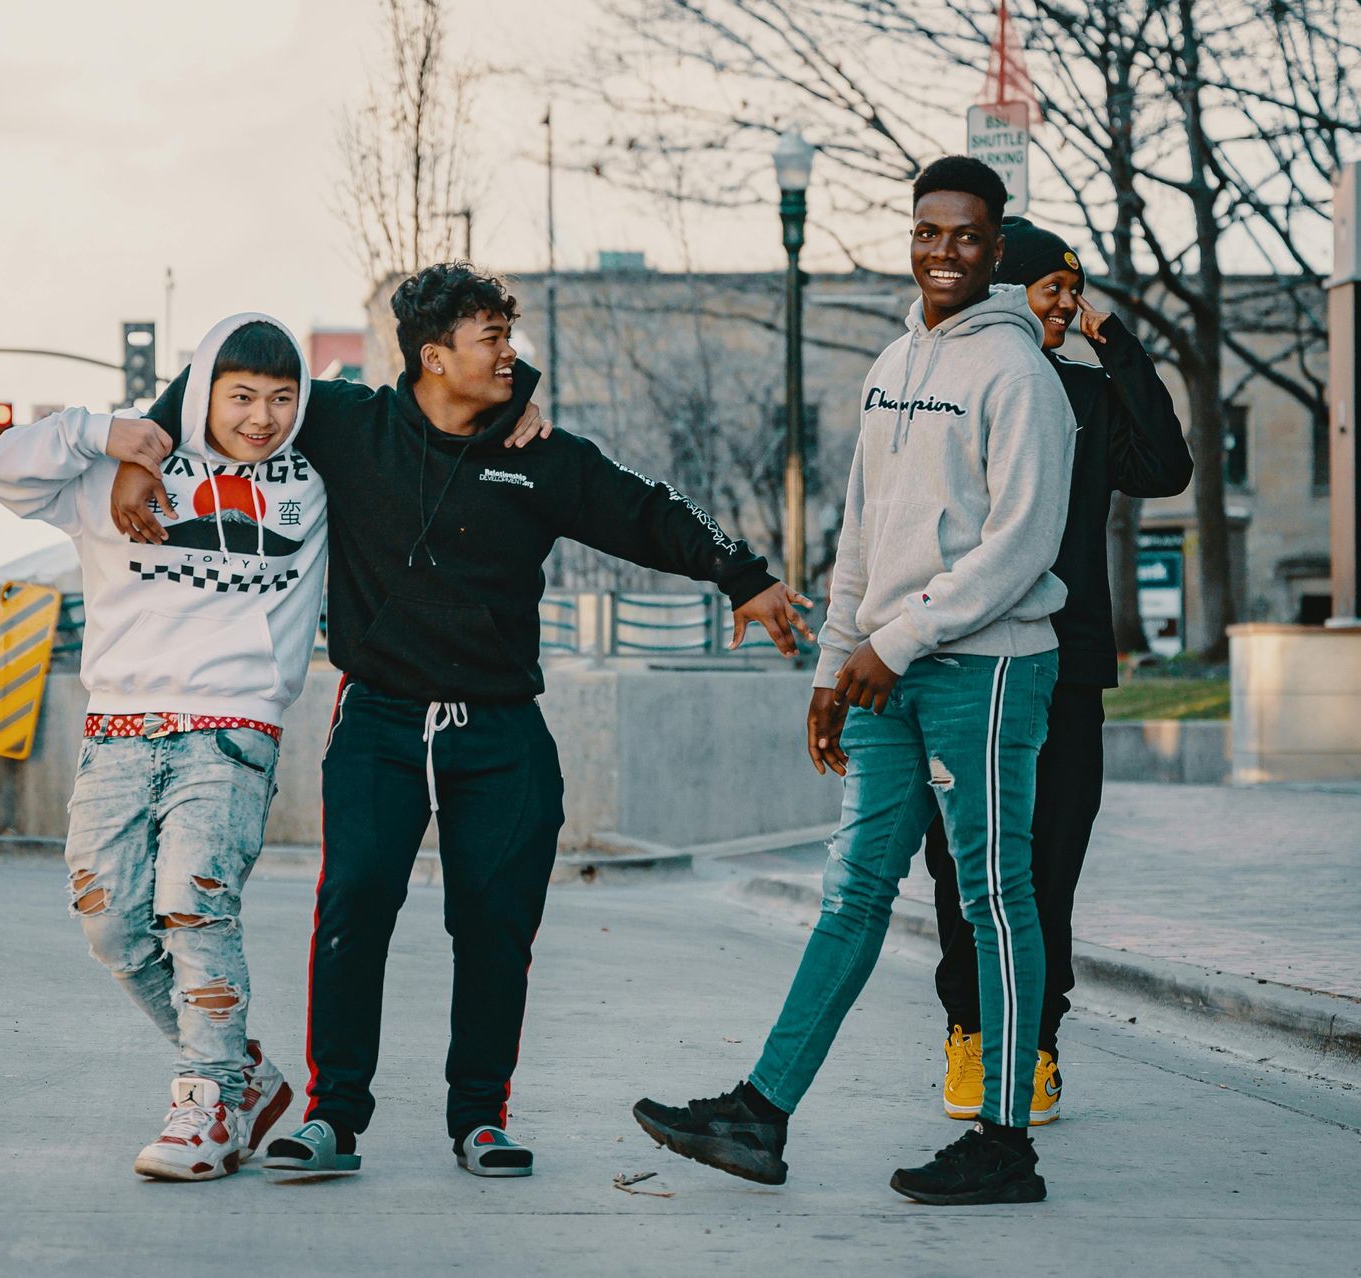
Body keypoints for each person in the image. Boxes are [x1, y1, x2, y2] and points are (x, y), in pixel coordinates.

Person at [114, 262, 812, 1179]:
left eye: (509, 340)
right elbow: (207, 381)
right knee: (353, 908)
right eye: (492, 340)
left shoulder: (542, 454)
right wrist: (140, 454)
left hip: (500, 730)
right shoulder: (347, 423)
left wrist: (746, 574)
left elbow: (645, 509)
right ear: (434, 356)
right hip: (380, 719)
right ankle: (333, 1118)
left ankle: (479, 1117)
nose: (511, 356)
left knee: (494, 926)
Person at [631, 157, 1076, 1206]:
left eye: (965, 235)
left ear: (995, 245)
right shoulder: (890, 364)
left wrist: (899, 642)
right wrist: (836, 667)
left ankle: (1004, 1141)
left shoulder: (1021, 377)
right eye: (927, 232)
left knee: (993, 899)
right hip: (885, 669)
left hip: (987, 668)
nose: (942, 252)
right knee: (853, 889)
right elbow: (863, 538)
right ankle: (760, 1114)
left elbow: (1020, 548)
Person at [0, 314, 322, 1181]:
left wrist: (513, 412)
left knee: (194, 906)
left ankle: (207, 1102)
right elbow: (3, 469)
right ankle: (245, 1075)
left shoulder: (316, 482)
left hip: (232, 729)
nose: (262, 418)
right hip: (118, 731)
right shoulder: (116, 474)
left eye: (283, 398)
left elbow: (417, 427)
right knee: (110, 923)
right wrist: (109, 436)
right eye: (241, 396)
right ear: (203, 390)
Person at [924, 216, 1192, 1127]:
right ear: (1006, 291)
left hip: (1067, 669)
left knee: (1051, 865)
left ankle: (1035, 1047)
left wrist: (1111, 340)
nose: (1069, 307)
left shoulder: (1085, 392)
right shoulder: (947, 384)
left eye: (1077, 294)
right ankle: (969, 1033)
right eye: (1054, 290)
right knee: (961, 863)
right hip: (959, 661)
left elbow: (1167, 465)